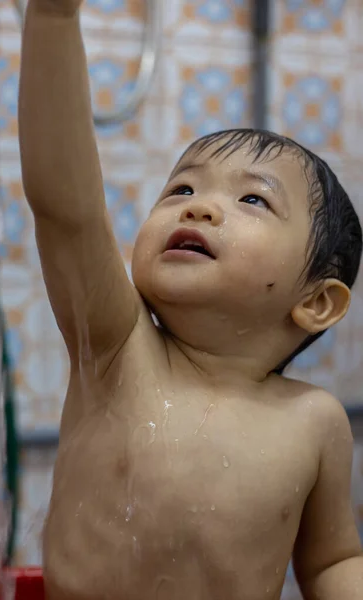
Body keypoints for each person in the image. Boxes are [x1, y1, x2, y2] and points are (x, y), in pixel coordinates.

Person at [18, 1, 363, 599]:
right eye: (181, 187)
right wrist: (52, 19)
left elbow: (333, 559)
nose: (197, 206)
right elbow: (66, 211)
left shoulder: (316, 423)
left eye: (252, 201)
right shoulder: (118, 351)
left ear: (318, 303)